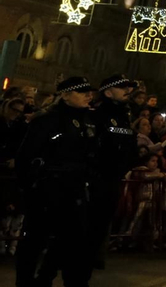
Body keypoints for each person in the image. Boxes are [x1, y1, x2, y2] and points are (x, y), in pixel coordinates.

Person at [15, 76, 98, 287]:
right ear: (66, 95)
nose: (89, 95)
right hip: (47, 188)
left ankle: (45, 278)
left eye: (89, 91)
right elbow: (25, 157)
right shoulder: (47, 120)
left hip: (74, 188)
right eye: (82, 92)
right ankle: (24, 281)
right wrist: (27, 189)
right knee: (35, 240)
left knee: (69, 240)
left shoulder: (88, 120)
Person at [88, 74, 139, 267]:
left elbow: (128, 145)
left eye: (129, 87)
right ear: (108, 92)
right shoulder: (97, 114)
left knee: (103, 220)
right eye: (122, 88)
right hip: (96, 177)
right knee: (89, 219)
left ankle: (95, 256)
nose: (128, 91)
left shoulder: (124, 115)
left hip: (113, 178)